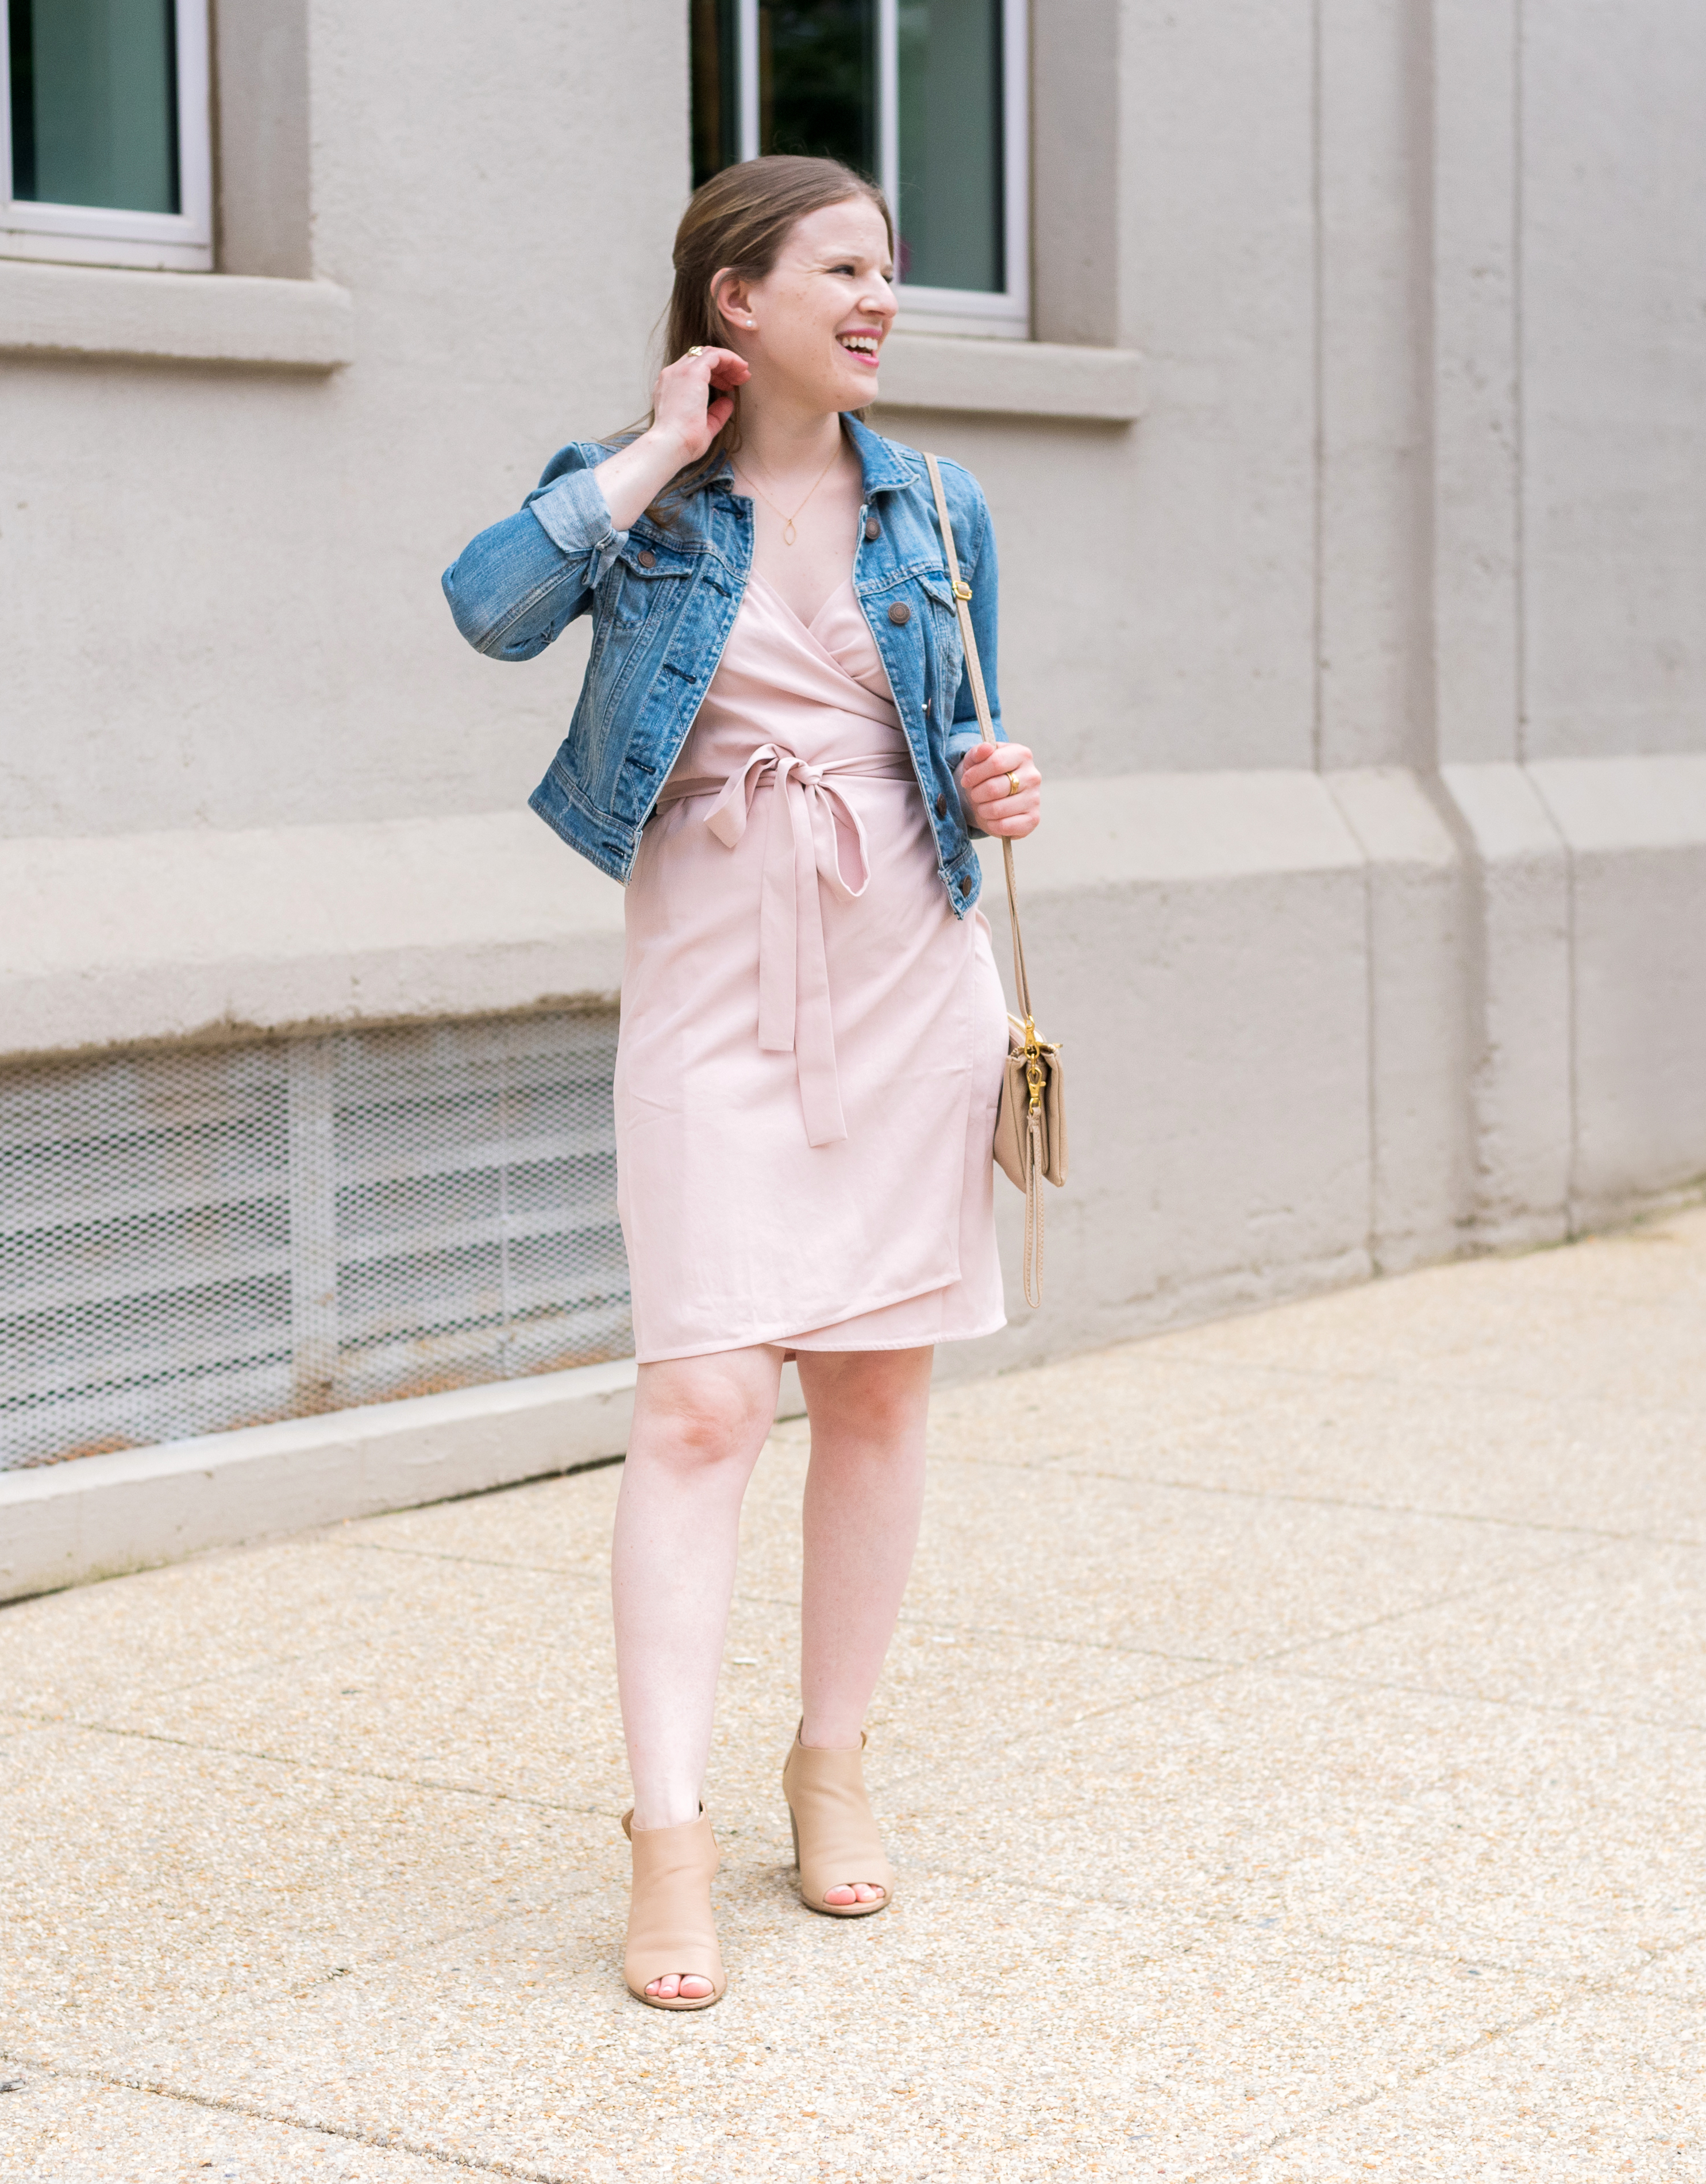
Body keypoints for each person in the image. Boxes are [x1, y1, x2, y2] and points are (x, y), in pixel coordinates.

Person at [441, 155, 1044, 2012]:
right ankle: (670, 1830)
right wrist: (647, 451)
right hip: (716, 966)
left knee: (875, 1385)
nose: (880, 299)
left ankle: (832, 1757)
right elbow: (485, 607)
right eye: (844, 268)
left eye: (890, 268)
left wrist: (1003, 782)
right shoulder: (634, 500)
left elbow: (959, 742)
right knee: (704, 1397)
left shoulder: (939, 504)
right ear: (738, 300)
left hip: (906, 968)